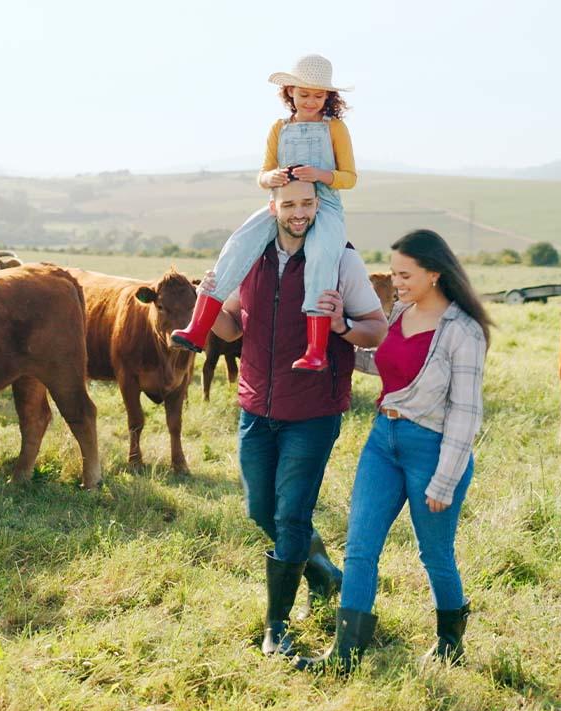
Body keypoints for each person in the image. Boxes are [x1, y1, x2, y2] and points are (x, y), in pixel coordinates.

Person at [296, 229, 492, 674]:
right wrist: (342, 329)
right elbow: (383, 363)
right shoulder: (401, 311)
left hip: (434, 449)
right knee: (360, 548)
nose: (395, 282)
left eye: (405, 274)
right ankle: (344, 655)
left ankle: (449, 641)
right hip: (383, 442)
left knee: (434, 554)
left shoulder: (465, 331)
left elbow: (465, 412)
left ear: (435, 274)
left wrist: (445, 478)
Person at [209, 177, 387, 657]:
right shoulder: (250, 256)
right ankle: (323, 572)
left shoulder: (341, 259)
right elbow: (229, 327)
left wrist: (341, 325)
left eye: (308, 203)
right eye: (290, 204)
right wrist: (202, 303)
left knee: (291, 516)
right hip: (255, 407)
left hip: (311, 411)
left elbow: (377, 330)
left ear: (319, 206)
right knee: (259, 509)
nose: (299, 213)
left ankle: (277, 626)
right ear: (273, 206)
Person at [174, 54, 358, 372]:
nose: (311, 101)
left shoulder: (335, 128)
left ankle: (316, 349)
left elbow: (349, 178)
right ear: (290, 92)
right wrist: (270, 178)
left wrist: (320, 174)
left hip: (324, 203)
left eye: (318, 95)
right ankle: (198, 329)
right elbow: (263, 175)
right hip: (281, 203)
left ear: (328, 96)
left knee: (322, 254)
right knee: (238, 244)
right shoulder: (278, 128)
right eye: (304, 94)